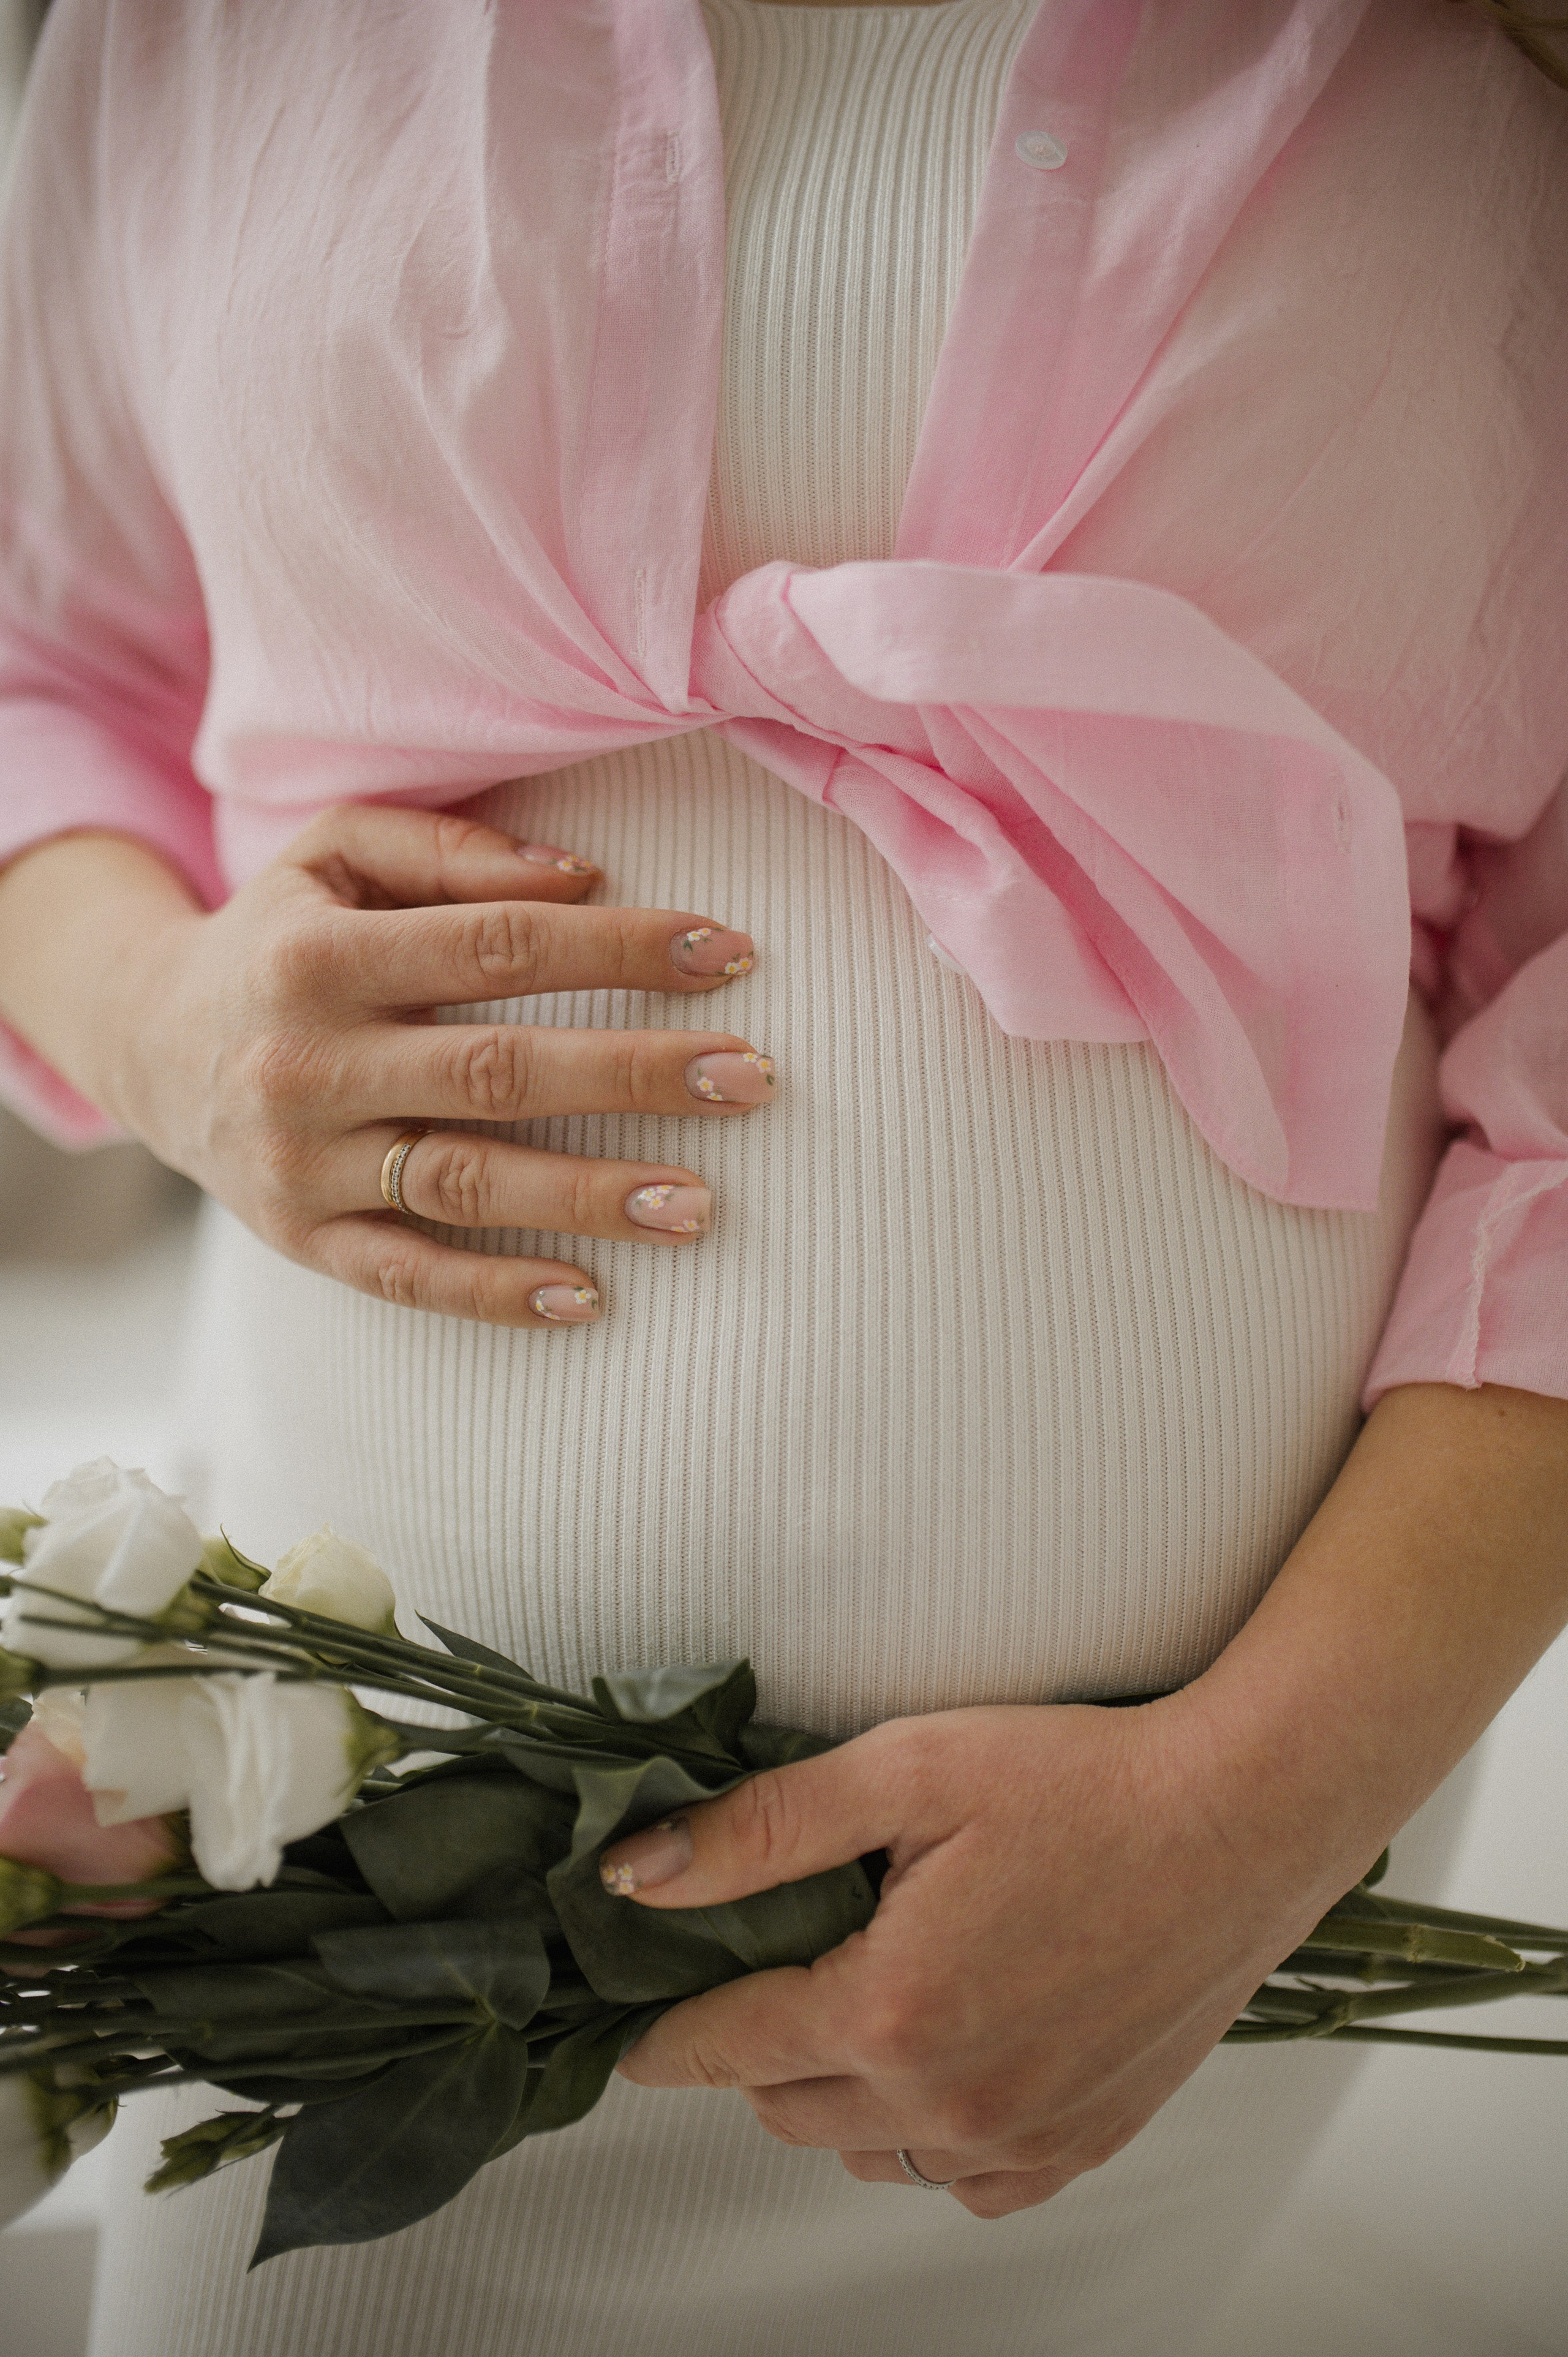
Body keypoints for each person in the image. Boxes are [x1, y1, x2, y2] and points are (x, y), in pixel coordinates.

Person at [0, 1, 1565, 2351]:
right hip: (324, 1849)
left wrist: (1249, 1815)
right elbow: (37, 655)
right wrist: (154, 1018)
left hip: (1152, 1934)